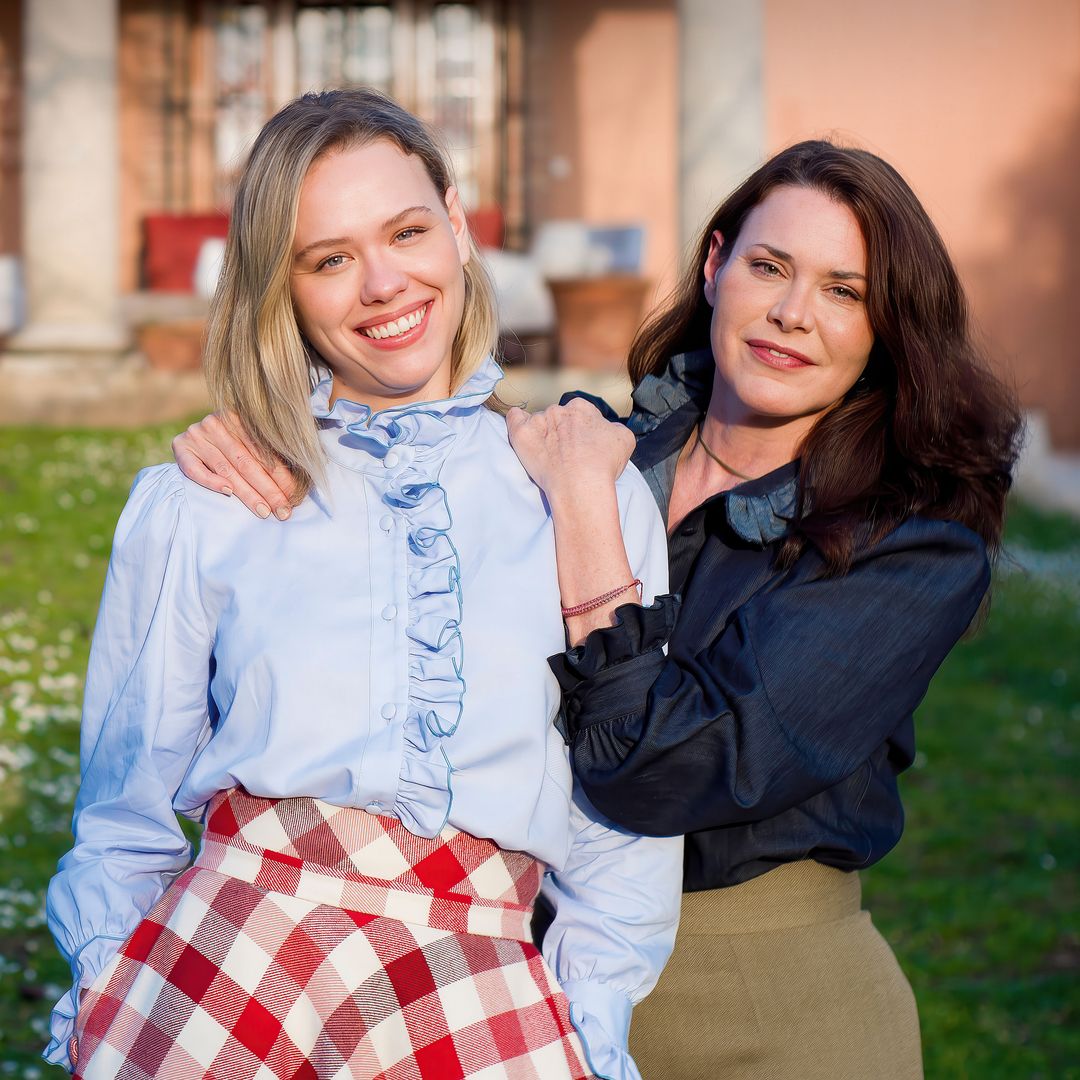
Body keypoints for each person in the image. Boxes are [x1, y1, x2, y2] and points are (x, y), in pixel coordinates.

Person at [177, 140, 1022, 1079]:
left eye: (844, 291)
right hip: (512, 987)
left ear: (887, 326)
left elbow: (660, 772)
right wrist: (248, 440)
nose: (792, 313)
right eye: (770, 267)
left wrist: (584, 512)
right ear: (715, 266)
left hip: (766, 1001)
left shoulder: (908, 547)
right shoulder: (588, 456)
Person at [45, 89, 682, 1080]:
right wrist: (107, 988)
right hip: (226, 968)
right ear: (282, 287)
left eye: (407, 231)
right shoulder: (205, 499)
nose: (382, 283)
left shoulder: (578, 491)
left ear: (458, 224)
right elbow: (122, 809)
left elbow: (622, 814)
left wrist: (591, 1017)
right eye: (329, 259)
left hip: (482, 976)